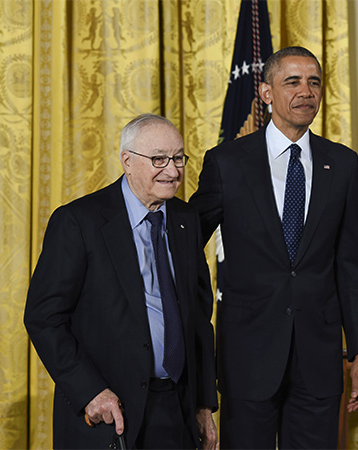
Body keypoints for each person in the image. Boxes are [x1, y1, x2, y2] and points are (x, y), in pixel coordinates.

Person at [190, 46, 358, 449]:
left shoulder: (341, 164)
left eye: (314, 82)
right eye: (292, 81)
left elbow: (351, 264)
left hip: (319, 357)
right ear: (266, 92)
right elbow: (186, 244)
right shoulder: (227, 162)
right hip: (247, 355)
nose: (305, 91)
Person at [24, 114, 218, 449]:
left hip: (176, 408)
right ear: (127, 161)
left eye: (178, 158)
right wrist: (91, 392)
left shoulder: (186, 220)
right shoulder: (78, 221)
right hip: (108, 410)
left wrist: (202, 404)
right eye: (159, 159)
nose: (172, 171)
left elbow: (198, 321)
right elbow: (44, 318)